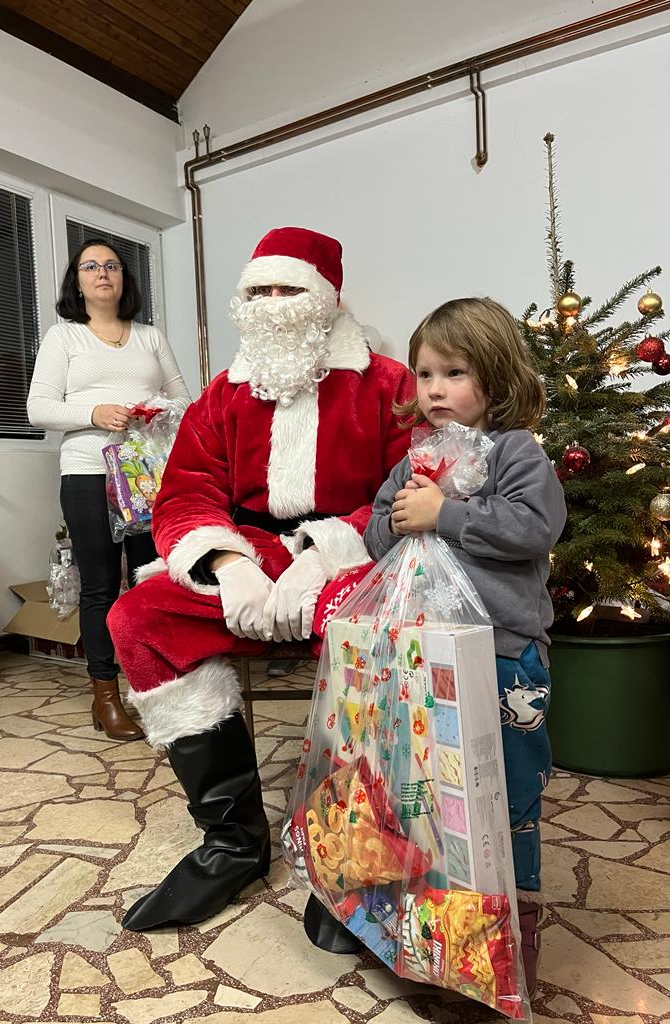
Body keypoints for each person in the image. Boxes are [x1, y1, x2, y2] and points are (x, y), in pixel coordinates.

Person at [107, 225, 414, 932]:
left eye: (289, 289)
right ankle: (232, 842)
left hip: (352, 559)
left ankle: (354, 848)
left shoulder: (388, 383)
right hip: (246, 555)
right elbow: (183, 491)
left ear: (328, 301)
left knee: (380, 638)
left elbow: (409, 484)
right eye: (258, 291)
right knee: (137, 619)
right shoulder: (223, 394)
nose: (272, 304)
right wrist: (227, 563)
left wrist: (329, 550)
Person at [363, 296, 567, 993]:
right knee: (434, 798)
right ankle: (440, 928)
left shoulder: (517, 452)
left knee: (506, 799)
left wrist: (445, 514)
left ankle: (514, 930)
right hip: (426, 659)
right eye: (424, 374)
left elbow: (532, 528)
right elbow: (372, 537)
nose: (435, 389)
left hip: (505, 654)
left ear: (497, 377)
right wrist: (401, 512)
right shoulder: (414, 458)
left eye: (454, 372)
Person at [27, 238, 191, 742]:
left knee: (149, 581)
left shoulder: (150, 337)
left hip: (146, 478)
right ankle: (106, 697)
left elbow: (187, 402)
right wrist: (93, 414)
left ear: (125, 278)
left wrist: (156, 412)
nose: (103, 273)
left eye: (113, 265)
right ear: (77, 280)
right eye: (91, 266)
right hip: (87, 474)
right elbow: (38, 409)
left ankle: (157, 690)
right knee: (100, 586)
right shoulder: (64, 338)